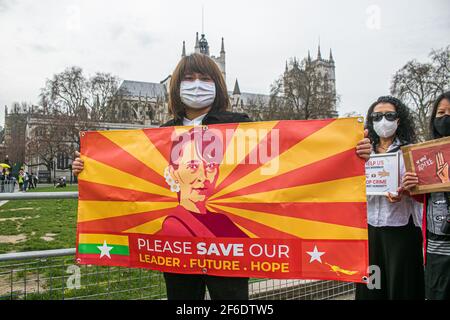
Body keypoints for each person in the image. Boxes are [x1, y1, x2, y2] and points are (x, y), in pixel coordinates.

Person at [72, 53, 373, 300]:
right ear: (176, 86)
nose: (197, 84)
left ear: (218, 85)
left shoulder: (240, 124)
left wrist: (348, 153)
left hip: (230, 247)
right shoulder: (161, 132)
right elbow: (129, 170)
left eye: (205, 78)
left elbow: (286, 158)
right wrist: (90, 167)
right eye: (189, 79)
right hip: (177, 249)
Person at [355, 96, 424, 300]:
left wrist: (410, 189)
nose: (383, 120)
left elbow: (422, 192)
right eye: (377, 116)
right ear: (371, 121)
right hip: (370, 233)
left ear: (399, 119)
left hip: (401, 231)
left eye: (389, 115)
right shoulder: (361, 151)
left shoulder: (411, 152)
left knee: (401, 286)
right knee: (372, 287)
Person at [402, 91, 450, 300]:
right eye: (441, 112)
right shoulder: (426, 155)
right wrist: (410, 187)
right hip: (437, 246)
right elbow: (424, 196)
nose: (445, 117)